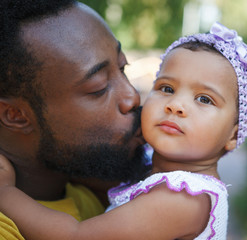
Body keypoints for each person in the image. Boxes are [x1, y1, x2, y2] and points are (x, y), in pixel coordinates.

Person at [0, 22, 247, 239]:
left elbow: (76, 236)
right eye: (166, 88)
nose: (176, 106)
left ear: (233, 135)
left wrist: (6, 193)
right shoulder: (154, 168)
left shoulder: (183, 199)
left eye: (205, 99)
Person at [0, 0, 149, 239]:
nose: (132, 97)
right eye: (99, 88)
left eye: (122, 67)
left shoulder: (92, 201)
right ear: (14, 115)